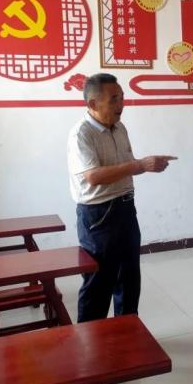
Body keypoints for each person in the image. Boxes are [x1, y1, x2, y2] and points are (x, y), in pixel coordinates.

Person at [67, 73, 176, 323]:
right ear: (92, 103)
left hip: (125, 207)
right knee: (99, 281)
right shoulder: (81, 133)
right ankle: (90, 339)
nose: (121, 105)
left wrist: (145, 164)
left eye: (122, 98)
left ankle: (127, 333)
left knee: (128, 277)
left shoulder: (119, 127)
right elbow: (93, 176)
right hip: (98, 214)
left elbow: (125, 165)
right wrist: (141, 165)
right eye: (114, 99)